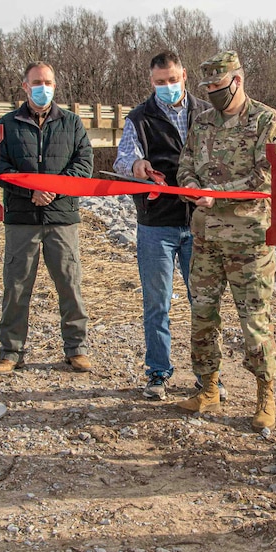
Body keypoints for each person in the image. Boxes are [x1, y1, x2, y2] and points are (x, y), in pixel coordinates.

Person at [175, 50, 276, 431]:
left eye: (217, 86)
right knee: (202, 316)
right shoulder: (202, 122)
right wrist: (191, 187)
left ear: (236, 81)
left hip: (249, 242)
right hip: (206, 237)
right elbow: (186, 163)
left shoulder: (266, 121)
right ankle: (208, 389)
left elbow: (268, 175)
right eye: (206, 87)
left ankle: (265, 396)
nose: (211, 93)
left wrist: (217, 194)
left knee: (255, 322)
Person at [114, 51, 212, 400]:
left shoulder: (207, 113)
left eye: (172, 80)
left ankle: (207, 375)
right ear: (151, 82)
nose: (167, 87)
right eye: (160, 82)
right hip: (156, 224)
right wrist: (136, 164)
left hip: (201, 222)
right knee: (158, 303)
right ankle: (158, 372)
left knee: (203, 301)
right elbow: (123, 157)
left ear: (184, 75)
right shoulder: (140, 117)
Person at [0, 62, 94, 375]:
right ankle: (10, 352)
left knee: (69, 284)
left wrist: (52, 190)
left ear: (55, 85)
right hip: (22, 218)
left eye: (48, 82)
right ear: (25, 86)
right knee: (17, 287)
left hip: (62, 217)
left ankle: (76, 348)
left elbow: (83, 164)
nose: (43, 87)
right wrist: (29, 192)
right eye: (37, 82)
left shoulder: (72, 123)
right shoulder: (7, 124)